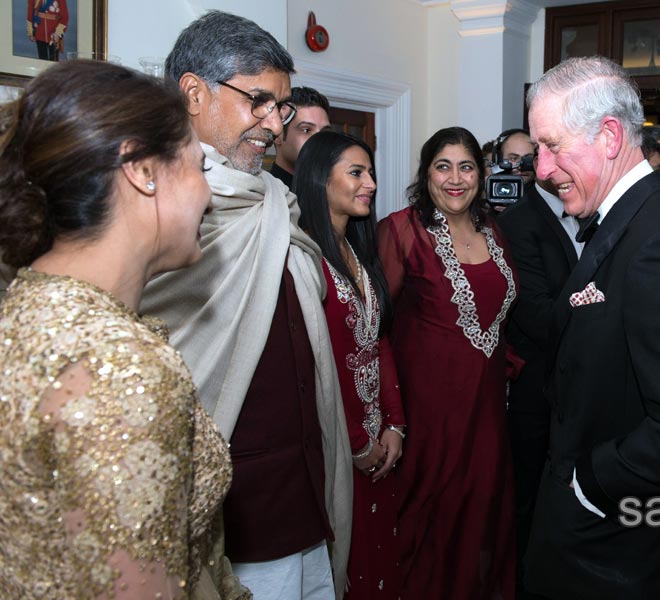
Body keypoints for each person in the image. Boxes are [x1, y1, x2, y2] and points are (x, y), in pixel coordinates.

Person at [0, 60, 248, 599]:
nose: (209, 194)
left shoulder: (22, 312)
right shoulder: (120, 368)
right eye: (198, 167)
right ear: (141, 169)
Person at [140, 11, 351, 600]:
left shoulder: (274, 203)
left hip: (306, 495)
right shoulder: (149, 205)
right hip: (232, 521)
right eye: (258, 101)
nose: (273, 124)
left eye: (281, 107)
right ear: (192, 93)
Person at [523, 56, 660, 599]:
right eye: (538, 152)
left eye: (552, 147)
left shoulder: (657, 238)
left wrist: (590, 484)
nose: (542, 170)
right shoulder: (630, 219)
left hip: (621, 550)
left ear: (610, 136)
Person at [377, 126, 517, 598]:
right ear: (426, 173)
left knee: (481, 515)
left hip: (487, 411)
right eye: (443, 166)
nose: (455, 179)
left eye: (466, 166)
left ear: (481, 173)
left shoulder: (494, 230)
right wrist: (388, 417)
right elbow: (374, 331)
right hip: (427, 414)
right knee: (427, 519)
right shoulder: (400, 230)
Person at [293, 130, 406, 599]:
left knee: (383, 557)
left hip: (379, 440)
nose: (371, 184)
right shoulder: (304, 259)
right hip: (336, 444)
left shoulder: (358, 254)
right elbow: (322, 363)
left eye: (371, 173)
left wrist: (396, 426)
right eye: (356, 173)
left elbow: (378, 345)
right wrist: (357, 444)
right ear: (321, 181)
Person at [497, 150, 582, 600]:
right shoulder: (519, 222)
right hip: (535, 388)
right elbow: (537, 315)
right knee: (528, 498)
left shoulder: (590, 211)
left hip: (574, 387)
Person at [271, 86, 332, 188]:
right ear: (278, 136)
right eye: (306, 130)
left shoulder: (330, 192)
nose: (319, 140)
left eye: (324, 132)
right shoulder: (265, 197)